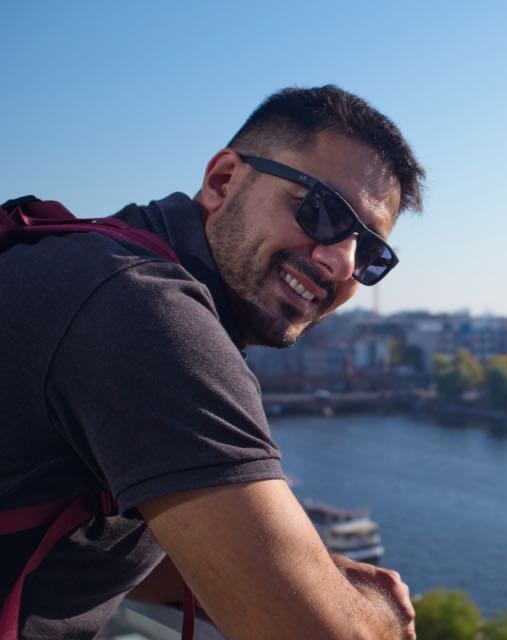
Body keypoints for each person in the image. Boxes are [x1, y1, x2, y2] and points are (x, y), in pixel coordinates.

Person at [0, 85, 425, 639]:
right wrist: (375, 614)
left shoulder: (100, 262)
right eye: (322, 211)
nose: (341, 263)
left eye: (368, 253)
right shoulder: (145, 312)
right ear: (224, 180)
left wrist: (273, 577)